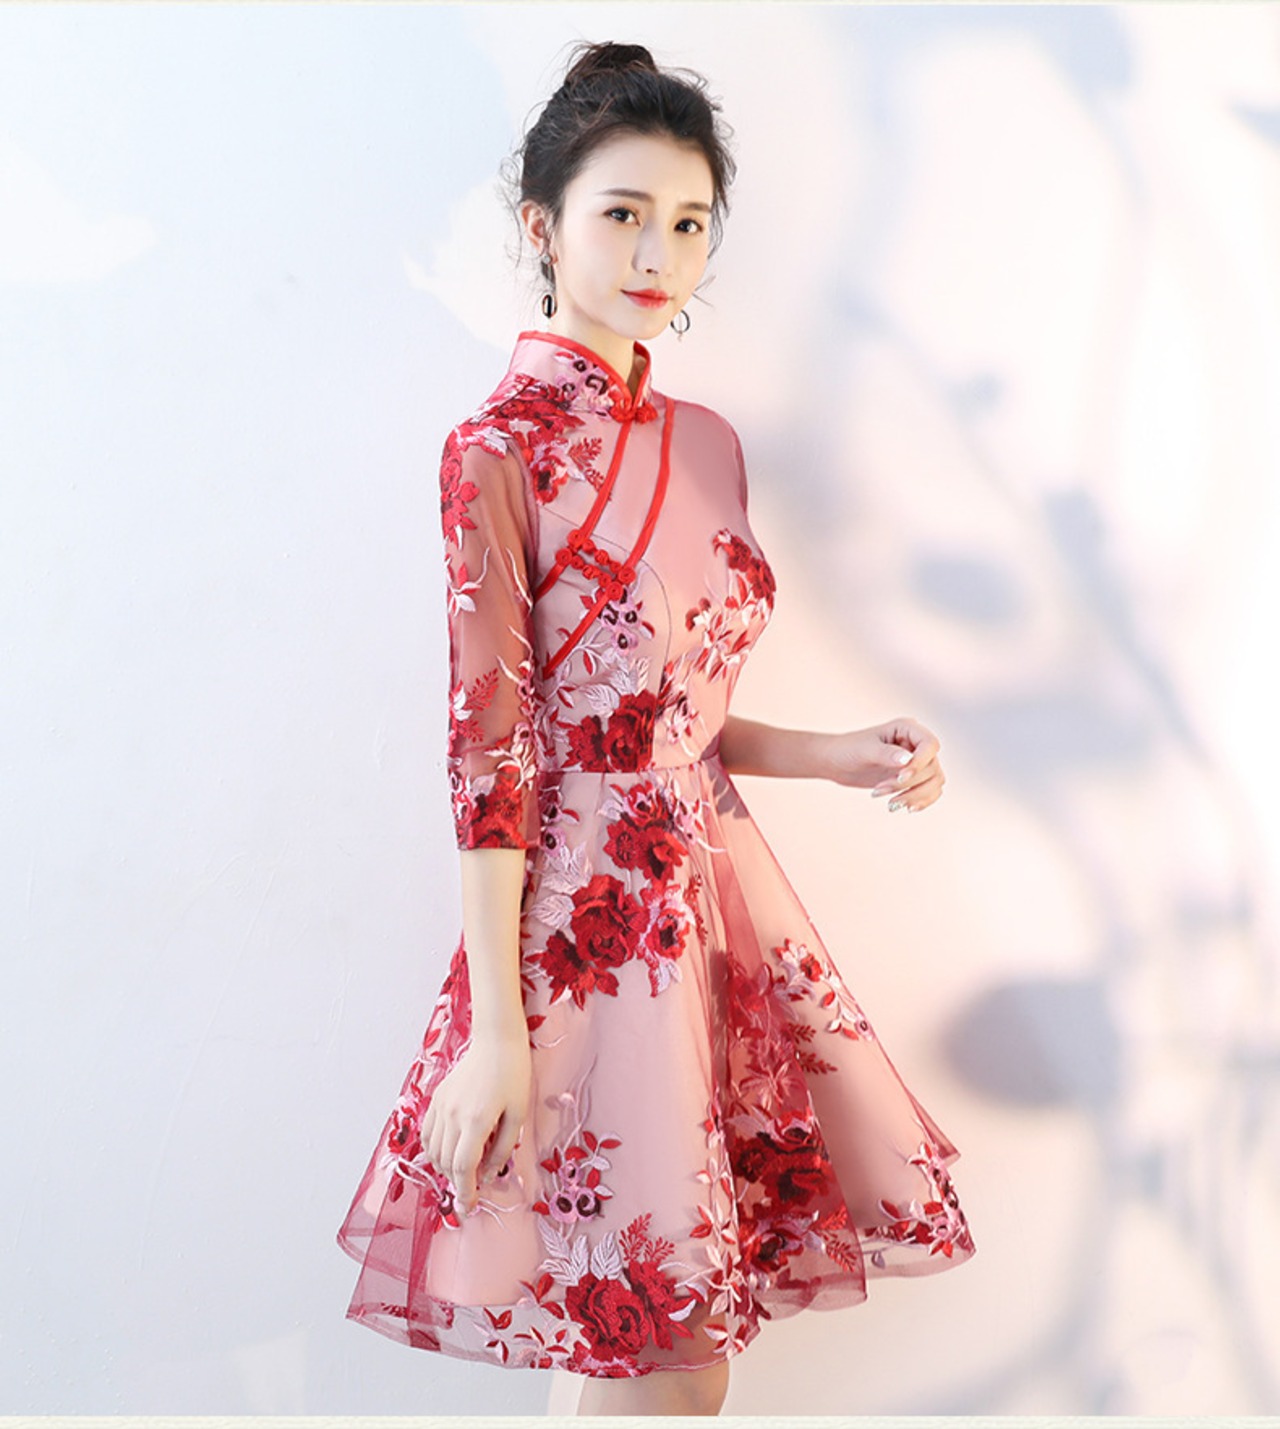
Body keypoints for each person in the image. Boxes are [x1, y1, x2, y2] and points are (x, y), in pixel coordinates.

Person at [336, 39, 976, 1418]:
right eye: (622, 213)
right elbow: (494, 749)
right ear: (541, 226)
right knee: (660, 1354)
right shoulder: (496, 449)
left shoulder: (710, 441)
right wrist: (495, 1030)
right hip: (584, 931)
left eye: (688, 223)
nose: (656, 254)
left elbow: (670, 717)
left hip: (710, 903)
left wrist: (833, 754)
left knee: (674, 1361)